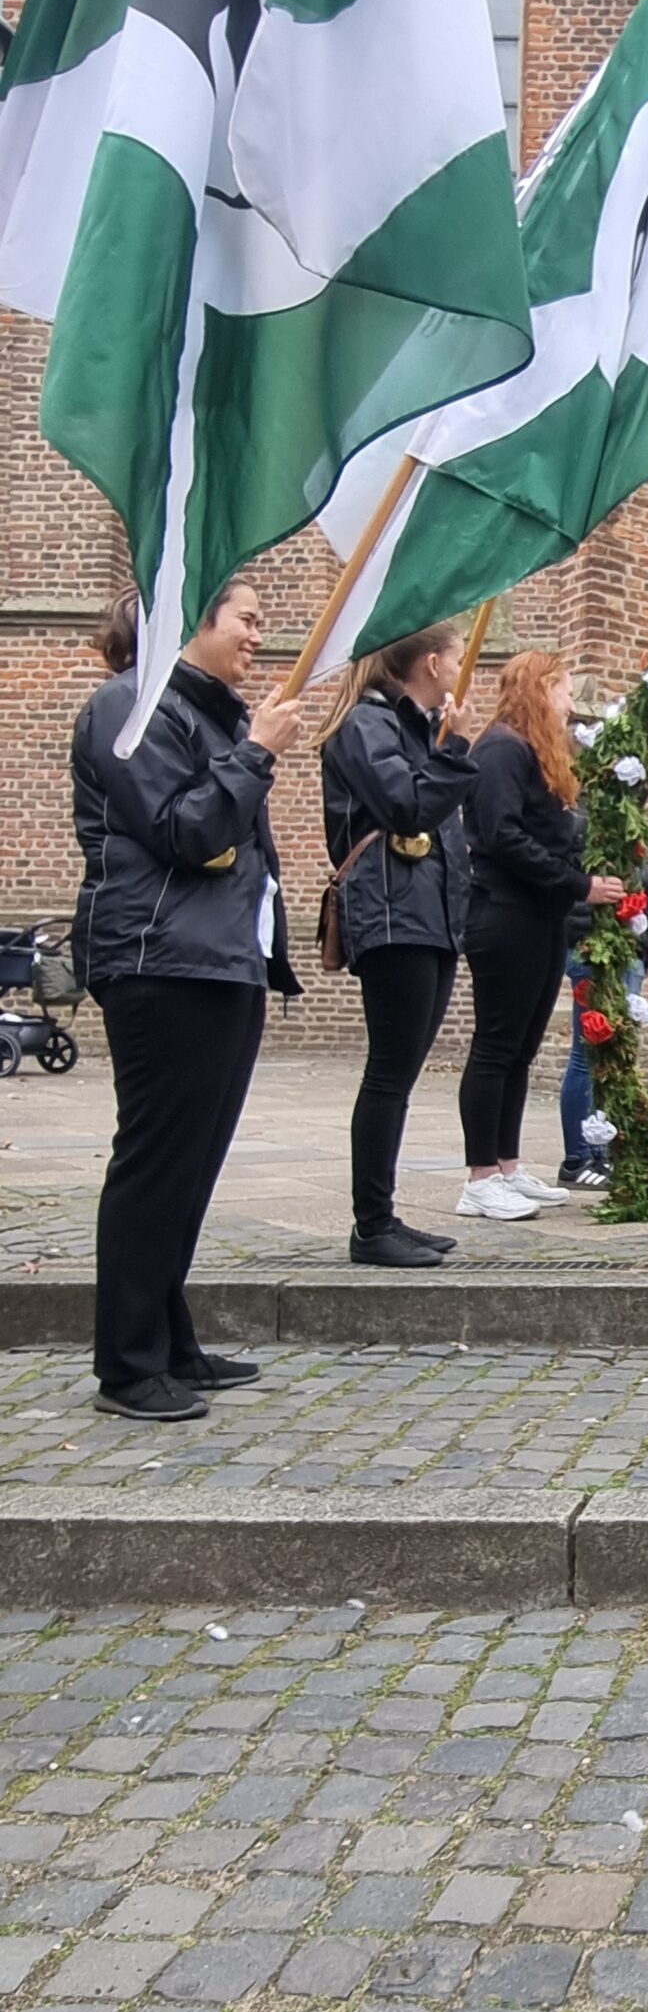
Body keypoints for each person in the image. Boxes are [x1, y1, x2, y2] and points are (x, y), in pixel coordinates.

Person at [72, 580, 303, 1421]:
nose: (258, 634)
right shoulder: (128, 707)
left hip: (216, 959)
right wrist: (257, 754)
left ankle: (169, 1342)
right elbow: (186, 830)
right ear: (191, 619)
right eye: (247, 618)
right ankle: (128, 1365)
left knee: (192, 1165)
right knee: (157, 1162)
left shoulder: (207, 716)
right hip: (160, 960)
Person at [318, 624, 478, 1269]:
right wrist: (456, 746)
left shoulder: (410, 727)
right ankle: (371, 1226)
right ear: (432, 663)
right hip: (392, 915)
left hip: (427, 916)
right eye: (458, 658)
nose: (464, 669)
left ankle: (383, 1216)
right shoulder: (366, 723)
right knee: (388, 1073)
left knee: (401, 1073)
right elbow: (408, 805)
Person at [459, 652, 627, 1221]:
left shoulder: (530, 752)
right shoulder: (501, 750)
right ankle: (480, 1178)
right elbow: (503, 835)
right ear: (539, 690)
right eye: (562, 690)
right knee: (495, 1047)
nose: (569, 703)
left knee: (521, 1049)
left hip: (539, 918)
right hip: (504, 916)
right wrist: (580, 885)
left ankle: (507, 1166)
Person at [557, 827, 648, 1186]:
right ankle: (578, 1158)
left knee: (611, 1056)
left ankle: (602, 1149)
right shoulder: (589, 823)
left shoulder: (622, 824)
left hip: (624, 950)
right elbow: (612, 886)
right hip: (595, 948)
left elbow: (643, 876)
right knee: (587, 1056)